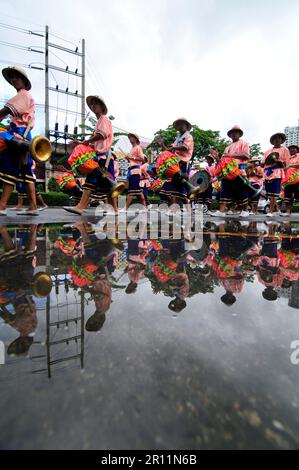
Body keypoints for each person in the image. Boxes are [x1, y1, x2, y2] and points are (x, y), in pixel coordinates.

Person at [64, 95, 114, 215]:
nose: (93, 106)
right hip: (102, 157)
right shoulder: (100, 121)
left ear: (102, 107)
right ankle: (113, 209)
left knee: (98, 182)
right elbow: (96, 142)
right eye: (92, 104)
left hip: (104, 157)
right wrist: (83, 143)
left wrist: (86, 141)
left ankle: (81, 206)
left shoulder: (104, 119)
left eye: (96, 104)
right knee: (106, 184)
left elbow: (101, 136)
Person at [0, 66, 38, 215]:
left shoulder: (23, 94)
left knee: (10, 165)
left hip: (19, 134)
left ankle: (2, 205)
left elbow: (7, 110)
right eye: (12, 78)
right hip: (24, 135)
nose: (14, 80)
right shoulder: (25, 95)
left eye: (17, 77)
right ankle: (33, 206)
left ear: (24, 80)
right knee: (25, 171)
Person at [211, 125, 250, 217]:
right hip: (227, 171)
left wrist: (231, 155)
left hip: (239, 169)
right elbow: (223, 160)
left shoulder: (244, 143)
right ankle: (221, 211)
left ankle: (245, 210)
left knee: (241, 190)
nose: (234, 134)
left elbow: (246, 156)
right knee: (225, 189)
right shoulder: (228, 147)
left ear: (239, 134)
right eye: (232, 133)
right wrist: (216, 157)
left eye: (236, 132)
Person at [157, 117, 194, 209]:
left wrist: (173, 148)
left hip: (183, 163)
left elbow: (185, 147)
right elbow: (169, 151)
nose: (180, 126)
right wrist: (162, 145)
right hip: (176, 163)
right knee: (176, 188)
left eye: (182, 124)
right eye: (178, 125)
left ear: (186, 126)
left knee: (178, 189)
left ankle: (175, 210)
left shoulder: (188, 136)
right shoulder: (177, 139)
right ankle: (184, 210)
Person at [261, 132, 290, 217]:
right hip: (267, 173)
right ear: (272, 141)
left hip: (278, 172)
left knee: (274, 193)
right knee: (269, 194)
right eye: (275, 138)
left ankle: (270, 211)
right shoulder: (267, 151)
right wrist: (265, 162)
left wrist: (279, 162)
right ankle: (277, 209)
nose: (277, 140)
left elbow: (287, 164)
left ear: (281, 140)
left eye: (279, 138)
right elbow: (262, 163)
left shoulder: (285, 150)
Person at [124, 133, 147, 211]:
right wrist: (128, 158)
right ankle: (144, 208)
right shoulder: (132, 148)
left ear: (135, 139)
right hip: (131, 169)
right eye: (129, 138)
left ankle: (126, 208)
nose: (130, 139)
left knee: (132, 190)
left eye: (132, 137)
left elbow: (142, 159)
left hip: (136, 169)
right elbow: (133, 159)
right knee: (137, 190)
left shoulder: (138, 147)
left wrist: (132, 158)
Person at [281, 144, 299, 216]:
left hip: (297, 179)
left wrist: (290, 166)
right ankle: (288, 212)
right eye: (290, 149)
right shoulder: (287, 158)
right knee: (287, 198)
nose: (292, 150)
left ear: (297, 150)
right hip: (288, 181)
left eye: (294, 148)